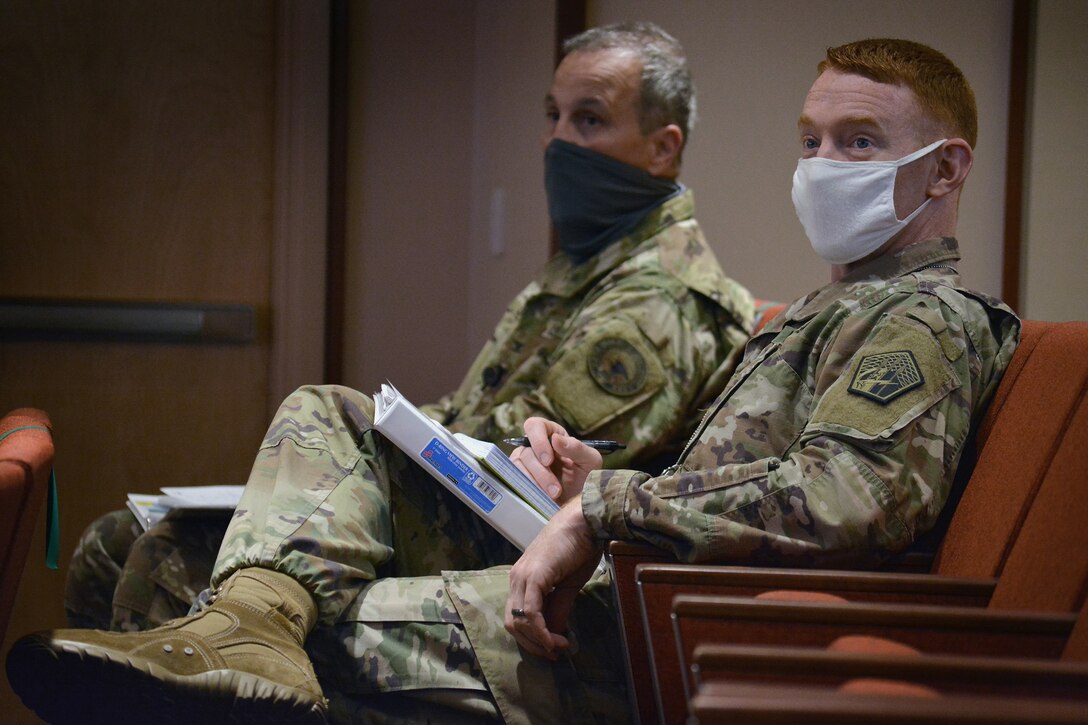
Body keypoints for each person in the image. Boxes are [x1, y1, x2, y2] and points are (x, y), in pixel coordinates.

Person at [6, 35, 1020, 725]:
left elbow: (853, 496)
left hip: (662, 627)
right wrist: (588, 480)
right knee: (243, 526)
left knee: (257, 620)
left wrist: (602, 511)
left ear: (942, 170)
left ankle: (252, 626)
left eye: (857, 144)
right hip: (616, 583)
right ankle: (249, 623)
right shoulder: (822, 311)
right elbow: (726, 474)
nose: (821, 165)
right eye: (810, 141)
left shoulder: (923, 319)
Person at [60, 20, 754, 635]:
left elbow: (523, 470)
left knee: (166, 554)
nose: (557, 140)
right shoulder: (584, 266)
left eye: (590, 120)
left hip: (514, 542)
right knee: (117, 536)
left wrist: (356, 457)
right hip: (453, 508)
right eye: (553, 114)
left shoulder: (661, 299)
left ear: (663, 150)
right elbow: (462, 418)